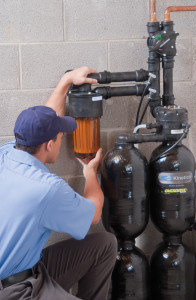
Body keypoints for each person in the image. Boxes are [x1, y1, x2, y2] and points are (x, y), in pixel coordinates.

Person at [0, 66, 117, 300]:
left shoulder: (6, 153)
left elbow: (42, 123)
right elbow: (94, 214)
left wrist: (66, 82)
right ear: (49, 145)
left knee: (105, 244)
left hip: (30, 268)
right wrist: (90, 174)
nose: (63, 135)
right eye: (60, 134)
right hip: (15, 290)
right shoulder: (46, 188)